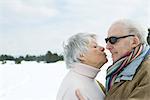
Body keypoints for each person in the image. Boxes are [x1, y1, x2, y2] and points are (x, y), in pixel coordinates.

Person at [76, 19, 150, 100]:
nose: (107, 47)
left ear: (134, 42)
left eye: (113, 40)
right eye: (107, 41)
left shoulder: (147, 71)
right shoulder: (122, 69)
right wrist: (89, 80)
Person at [56, 33, 108, 100]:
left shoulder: (87, 79)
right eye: (95, 46)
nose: (102, 48)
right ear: (81, 55)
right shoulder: (75, 88)